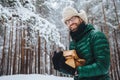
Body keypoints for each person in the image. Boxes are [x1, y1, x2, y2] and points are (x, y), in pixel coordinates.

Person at [52, 6, 110, 80]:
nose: (70, 23)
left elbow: (103, 67)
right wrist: (61, 66)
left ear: (81, 19)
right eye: (67, 22)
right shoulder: (73, 44)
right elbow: (75, 69)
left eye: (72, 19)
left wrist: (76, 71)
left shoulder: (96, 36)